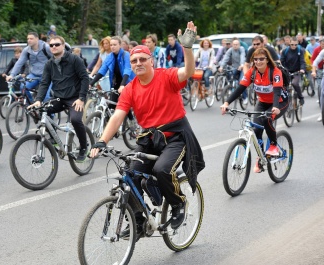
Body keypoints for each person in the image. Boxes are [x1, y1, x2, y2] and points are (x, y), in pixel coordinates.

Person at [90, 21, 205, 236]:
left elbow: (188, 71)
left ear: (151, 61)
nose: (138, 63)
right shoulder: (130, 89)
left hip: (176, 136)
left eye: (143, 59)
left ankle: (179, 203)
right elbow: (117, 117)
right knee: (130, 174)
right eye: (134, 60)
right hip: (150, 139)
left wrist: (187, 48)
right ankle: (139, 221)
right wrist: (101, 141)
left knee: (162, 169)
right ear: (131, 65)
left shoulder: (166, 76)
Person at [221, 48, 289, 173]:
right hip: (262, 102)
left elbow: (277, 92)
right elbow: (240, 88)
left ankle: (273, 146)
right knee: (257, 127)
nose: (258, 61)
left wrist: (275, 106)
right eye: (255, 59)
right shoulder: (252, 72)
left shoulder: (275, 71)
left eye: (261, 59)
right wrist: (226, 103)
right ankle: (261, 156)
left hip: (279, 102)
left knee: (267, 119)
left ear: (267, 60)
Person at [28, 36, 89, 162]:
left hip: (75, 98)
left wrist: (81, 98)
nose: (54, 47)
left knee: (76, 120)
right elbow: (44, 83)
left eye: (56, 44)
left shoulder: (74, 59)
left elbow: (85, 78)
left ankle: (84, 147)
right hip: (59, 98)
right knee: (40, 109)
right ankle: (53, 138)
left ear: (63, 45)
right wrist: (38, 99)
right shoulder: (49, 64)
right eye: (51, 45)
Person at [6, 32, 53, 103]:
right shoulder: (27, 50)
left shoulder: (46, 47)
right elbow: (19, 63)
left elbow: (57, 58)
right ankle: (31, 105)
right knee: (23, 87)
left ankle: (50, 114)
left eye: (31, 38)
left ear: (37, 39)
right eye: (28, 39)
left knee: (45, 96)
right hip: (34, 75)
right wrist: (12, 75)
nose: (29, 40)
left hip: (47, 75)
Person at [219, 39, 246, 104]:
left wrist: (242, 64)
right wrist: (222, 66)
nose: (235, 46)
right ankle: (231, 89)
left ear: (239, 45)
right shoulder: (230, 50)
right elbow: (226, 57)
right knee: (231, 79)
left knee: (241, 82)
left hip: (242, 67)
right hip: (234, 67)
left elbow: (242, 56)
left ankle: (245, 97)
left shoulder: (241, 49)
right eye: (234, 44)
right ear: (232, 45)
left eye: (236, 44)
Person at [280, 37, 306, 105]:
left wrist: (302, 69)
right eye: (292, 44)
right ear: (289, 44)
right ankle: (283, 99)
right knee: (283, 85)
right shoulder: (285, 51)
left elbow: (302, 61)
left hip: (296, 71)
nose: (294, 46)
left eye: (295, 44)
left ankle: (301, 97)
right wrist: (283, 69)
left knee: (295, 83)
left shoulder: (300, 50)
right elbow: (282, 62)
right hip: (287, 71)